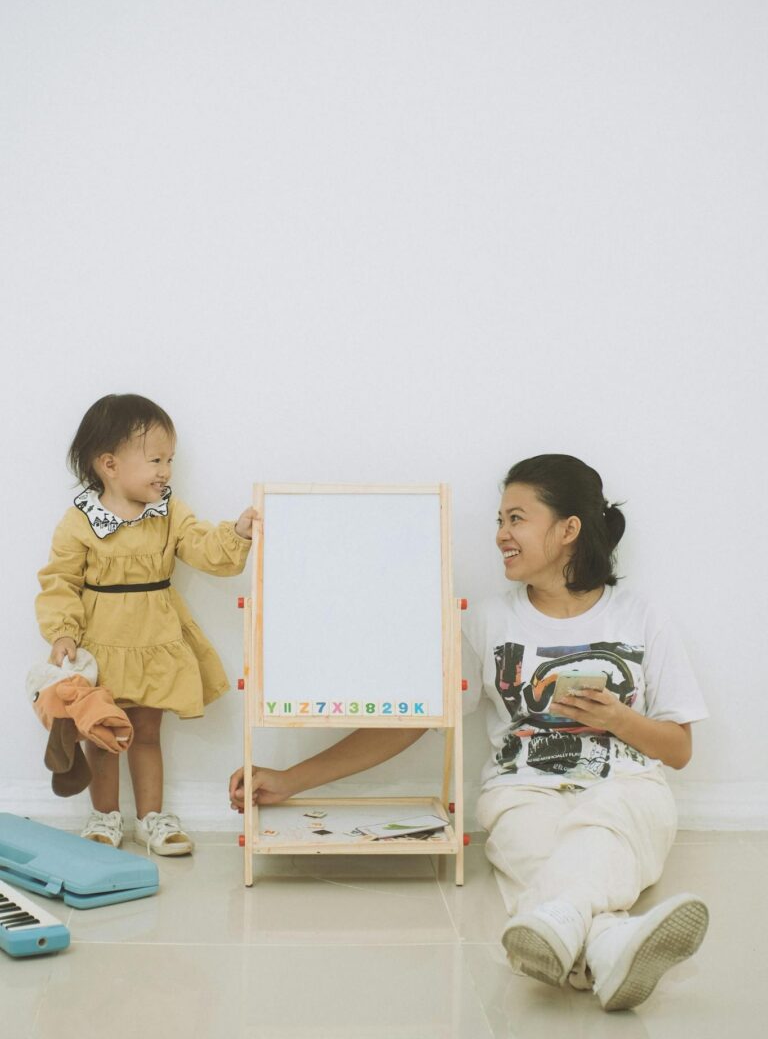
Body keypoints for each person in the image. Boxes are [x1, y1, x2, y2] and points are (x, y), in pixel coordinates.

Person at [230, 454, 710, 1012]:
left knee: (600, 826)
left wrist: (617, 718)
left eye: (516, 519)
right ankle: (609, 942)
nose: (500, 535)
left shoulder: (640, 615)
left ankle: (579, 933)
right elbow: (414, 725)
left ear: (568, 530)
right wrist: (291, 780)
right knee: (536, 843)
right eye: (499, 521)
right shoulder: (486, 622)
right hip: (521, 792)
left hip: (626, 785)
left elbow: (678, 750)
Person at [37, 393, 256, 856]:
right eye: (155, 459)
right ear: (109, 464)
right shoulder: (80, 522)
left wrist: (234, 534)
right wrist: (62, 631)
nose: (166, 470)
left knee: (148, 732)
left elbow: (201, 547)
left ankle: (153, 818)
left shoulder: (170, 512)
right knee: (102, 733)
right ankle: (105, 816)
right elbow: (59, 580)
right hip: (102, 642)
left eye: (170, 460)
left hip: (156, 636)